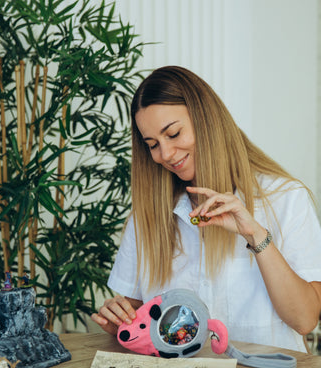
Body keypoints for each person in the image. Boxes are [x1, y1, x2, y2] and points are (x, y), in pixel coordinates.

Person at [91, 66, 321, 352]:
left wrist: (254, 234)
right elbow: (141, 319)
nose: (165, 154)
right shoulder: (147, 217)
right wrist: (120, 320)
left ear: (205, 120)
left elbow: (305, 320)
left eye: (173, 134)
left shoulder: (285, 198)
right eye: (152, 144)